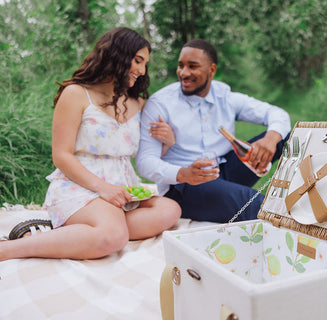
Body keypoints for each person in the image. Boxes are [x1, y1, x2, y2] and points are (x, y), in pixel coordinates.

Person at [0, 27, 181, 262]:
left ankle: (83, 232)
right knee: (114, 237)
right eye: (137, 61)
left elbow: (145, 157)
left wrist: (167, 142)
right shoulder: (76, 94)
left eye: (145, 63)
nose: (141, 70)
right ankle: (11, 248)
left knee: (170, 210)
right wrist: (103, 189)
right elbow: (61, 156)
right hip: (80, 186)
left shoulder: (138, 104)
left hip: (123, 190)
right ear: (117, 54)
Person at [136, 39, 290, 223]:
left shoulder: (225, 97)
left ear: (212, 70)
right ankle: (297, 235)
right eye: (180, 66)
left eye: (192, 66)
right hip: (184, 185)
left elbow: (276, 113)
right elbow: (144, 162)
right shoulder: (160, 104)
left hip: (222, 170)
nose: (183, 73)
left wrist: (270, 139)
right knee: (254, 203)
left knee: (286, 139)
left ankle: (304, 197)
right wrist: (184, 173)